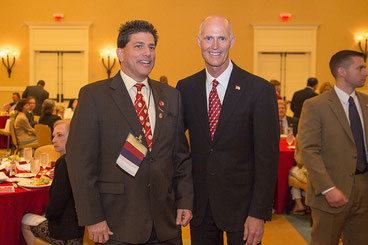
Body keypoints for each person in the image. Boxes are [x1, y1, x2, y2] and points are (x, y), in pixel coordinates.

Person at [66, 20, 193, 244]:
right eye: (139, 46)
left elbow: (180, 156)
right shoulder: (94, 97)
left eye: (152, 47)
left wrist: (184, 200)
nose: (148, 53)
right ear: (120, 53)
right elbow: (80, 164)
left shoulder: (171, 96)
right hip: (117, 224)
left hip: (166, 223)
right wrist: (93, 217)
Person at [176, 15, 279, 245]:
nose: (214, 46)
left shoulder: (259, 89)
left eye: (221, 38)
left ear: (232, 41)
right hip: (200, 209)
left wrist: (259, 213)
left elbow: (268, 158)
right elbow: (176, 146)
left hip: (243, 210)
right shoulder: (185, 87)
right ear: (198, 41)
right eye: (208, 38)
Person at [299, 50, 368, 245]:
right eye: (360, 67)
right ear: (342, 71)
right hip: (330, 189)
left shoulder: (365, 102)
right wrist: (328, 188)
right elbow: (309, 150)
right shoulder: (315, 105)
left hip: (363, 188)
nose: (366, 72)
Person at [21, 119, 85, 245]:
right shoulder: (80, 158)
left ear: (73, 135)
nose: (53, 140)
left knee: (24, 220)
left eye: (59, 135)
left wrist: (46, 213)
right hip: (79, 230)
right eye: (54, 136)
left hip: (62, 233)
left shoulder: (64, 162)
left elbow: (55, 207)